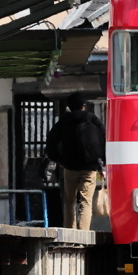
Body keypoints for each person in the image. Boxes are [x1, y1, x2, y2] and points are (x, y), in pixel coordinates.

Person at [46, 92, 106, 230]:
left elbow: (51, 142)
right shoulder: (92, 119)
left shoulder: (63, 121)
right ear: (83, 106)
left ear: (69, 107)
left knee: (69, 201)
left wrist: (59, 159)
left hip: (70, 167)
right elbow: (104, 138)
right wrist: (102, 162)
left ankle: (69, 231)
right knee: (86, 201)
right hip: (89, 166)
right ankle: (83, 233)